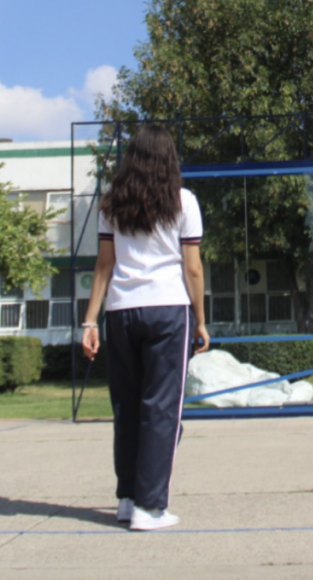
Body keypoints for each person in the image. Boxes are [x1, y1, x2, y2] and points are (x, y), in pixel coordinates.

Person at [82, 125, 209, 531]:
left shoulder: (112, 203)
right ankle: (150, 507)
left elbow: (104, 266)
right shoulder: (183, 200)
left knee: (128, 407)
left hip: (120, 311)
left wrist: (90, 320)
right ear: (168, 158)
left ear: (131, 158)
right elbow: (192, 268)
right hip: (168, 309)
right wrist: (202, 320)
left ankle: (127, 497)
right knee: (161, 410)